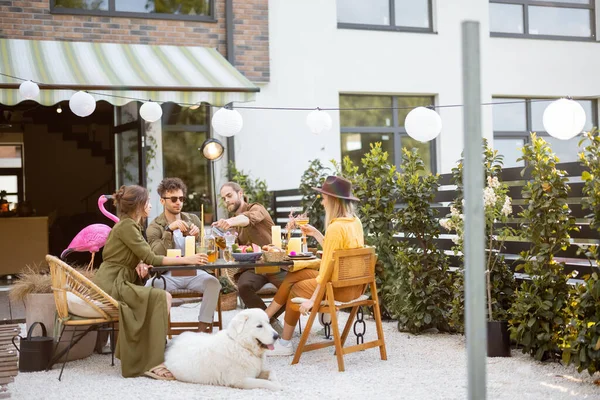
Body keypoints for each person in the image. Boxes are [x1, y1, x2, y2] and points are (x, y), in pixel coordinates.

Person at [94, 185, 208, 380]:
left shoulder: (132, 226)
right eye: (147, 202)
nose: (150, 205)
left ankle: (153, 355)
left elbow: (142, 255)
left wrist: (140, 262)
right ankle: (153, 360)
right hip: (114, 283)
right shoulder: (127, 226)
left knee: (161, 297)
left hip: (120, 279)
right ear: (138, 206)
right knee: (162, 297)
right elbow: (153, 257)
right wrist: (187, 259)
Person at [264, 176, 364, 356]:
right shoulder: (354, 221)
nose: (323, 202)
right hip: (353, 286)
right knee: (296, 274)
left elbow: (325, 270)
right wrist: (317, 234)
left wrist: (313, 300)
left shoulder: (335, 227)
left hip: (337, 290)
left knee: (295, 288)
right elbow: (337, 254)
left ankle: (285, 344)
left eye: (325, 197)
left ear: (333, 200)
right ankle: (266, 316)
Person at [146, 178, 221, 334]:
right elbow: (154, 254)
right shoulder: (155, 226)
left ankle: (201, 332)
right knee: (150, 287)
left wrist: (200, 236)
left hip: (194, 272)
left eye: (181, 198)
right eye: (173, 199)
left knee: (213, 283)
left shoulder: (193, 219)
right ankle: (159, 336)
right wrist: (169, 231)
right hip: (167, 275)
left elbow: (207, 250)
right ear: (162, 200)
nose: (178, 202)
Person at [213, 182, 286, 331]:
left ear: (240, 194)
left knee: (292, 288)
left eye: (229, 196)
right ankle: (271, 323)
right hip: (253, 268)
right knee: (244, 286)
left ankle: (266, 320)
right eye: (224, 198)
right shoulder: (235, 223)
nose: (226, 201)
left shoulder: (257, 208)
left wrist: (230, 221)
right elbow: (237, 248)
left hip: (274, 264)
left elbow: (248, 219)